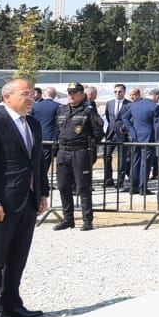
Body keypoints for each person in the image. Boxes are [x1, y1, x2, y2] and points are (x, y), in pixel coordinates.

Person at [0, 79, 50, 317]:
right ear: (7, 97)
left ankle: (12, 304)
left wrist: (42, 193)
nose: (31, 98)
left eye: (32, 93)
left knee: (18, 256)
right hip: (1, 203)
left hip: (26, 200)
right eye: (25, 94)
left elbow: (38, 163)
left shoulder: (33, 124)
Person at [53, 83, 105, 231]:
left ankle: (87, 220)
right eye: (69, 93)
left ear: (82, 94)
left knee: (83, 187)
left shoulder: (88, 111)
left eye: (74, 93)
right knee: (63, 187)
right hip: (63, 152)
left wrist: (89, 146)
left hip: (80, 152)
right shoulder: (61, 110)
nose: (71, 95)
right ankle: (68, 219)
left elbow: (99, 131)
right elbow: (58, 129)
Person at [123, 88, 159, 195]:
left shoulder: (134, 104)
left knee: (135, 161)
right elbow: (156, 124)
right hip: (149, 138)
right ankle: (142, 188)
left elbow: (125, 117)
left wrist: (131, 131)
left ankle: (133, 186)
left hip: (135, 137)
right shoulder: (154, 107)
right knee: (146, 163)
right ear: (156, 96)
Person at [103, 83, 130, 187]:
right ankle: (108, 180)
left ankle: (120, 181)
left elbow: (130, 118)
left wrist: (124, 128)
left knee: (122, 159)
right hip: (110, 134)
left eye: (119, 91)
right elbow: (108, 117)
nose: (117, 93)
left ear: (124, 92)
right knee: (107, 156)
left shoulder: (129, 104)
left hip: (122, 134)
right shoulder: (109, 103)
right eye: (115, 91)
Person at [32, 86, 61, 161]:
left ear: (44, 95)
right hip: (51, 138)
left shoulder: (35, 106)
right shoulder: (60, 107)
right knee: (45, 162)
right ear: (55, 95)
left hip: (36, 137)